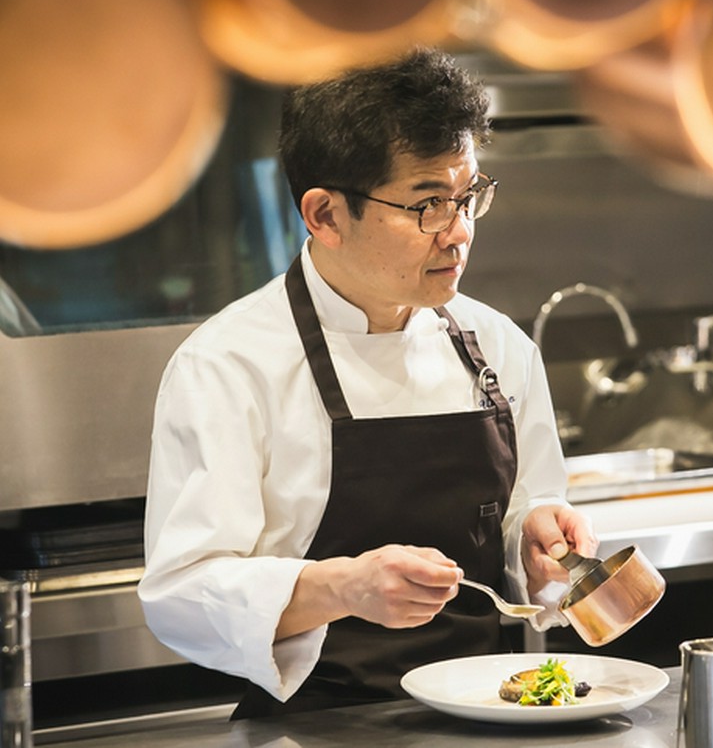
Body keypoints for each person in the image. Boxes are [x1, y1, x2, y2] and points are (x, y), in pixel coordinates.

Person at [138, 48, 598, 718]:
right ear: (324, 215)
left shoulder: (500, 348)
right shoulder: (228, 366)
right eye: (427, 205)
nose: (459, 232)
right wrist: (340, 588)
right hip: (314, 726)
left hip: (489, 717)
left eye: (468, 196)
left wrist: (538, 544)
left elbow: (527, 520)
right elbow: (180, 593)